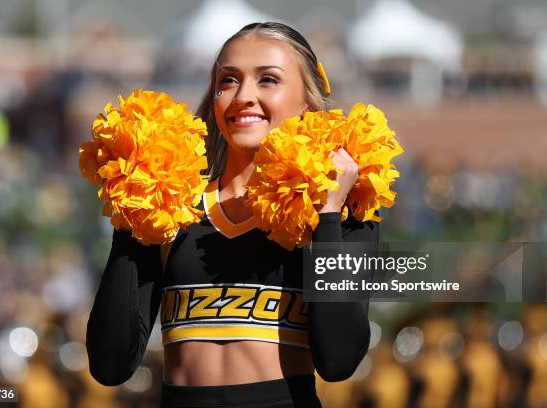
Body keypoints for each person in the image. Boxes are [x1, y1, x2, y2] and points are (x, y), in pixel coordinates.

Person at [86, 22, 378, 408]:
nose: (243, 96)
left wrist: (325, 217)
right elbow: (110, 366)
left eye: (268, 80)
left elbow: (340, 361)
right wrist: (132, 205)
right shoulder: (169, 206)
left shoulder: (347, 206)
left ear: (307, 101)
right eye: (228, 81)